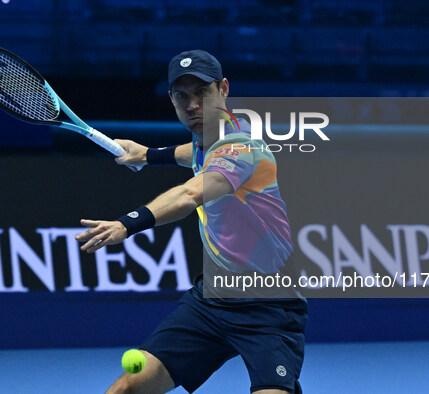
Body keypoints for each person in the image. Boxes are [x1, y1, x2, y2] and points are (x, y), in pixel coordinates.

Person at [76, 50, 308, 394]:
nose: (193, 105)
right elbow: (191, 152)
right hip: (210, 303)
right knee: (127, 387)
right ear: (171, 98)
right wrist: (148, 155)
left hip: (268, 307)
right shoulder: (207, 141)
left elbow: (189, 195)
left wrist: (127, 224)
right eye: (182, 96)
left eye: (203, 92)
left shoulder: (243, 148)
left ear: (223, 89)